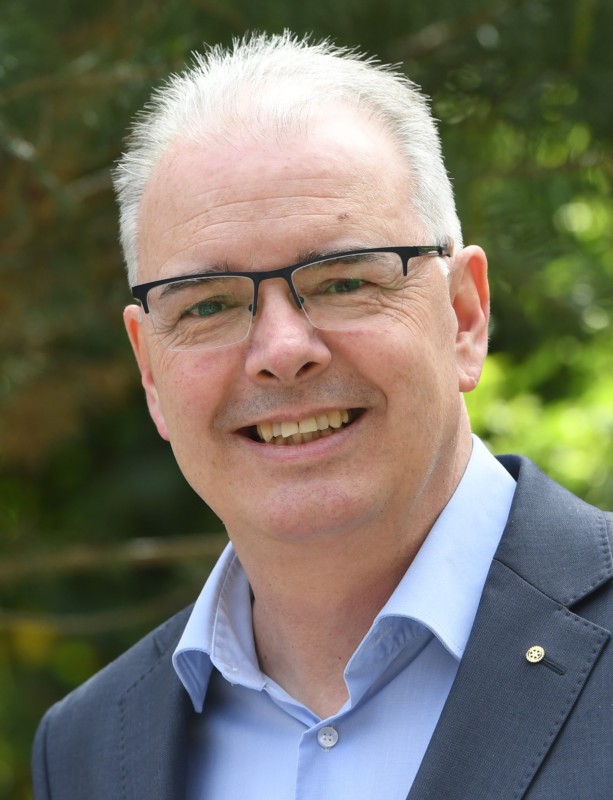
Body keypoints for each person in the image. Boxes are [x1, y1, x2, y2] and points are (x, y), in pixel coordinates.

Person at [32, 32, 612, 800]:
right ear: (150, 370)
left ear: (464, 317)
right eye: (207, 305)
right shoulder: (86, 750)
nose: (281, 351)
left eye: (343, 282)